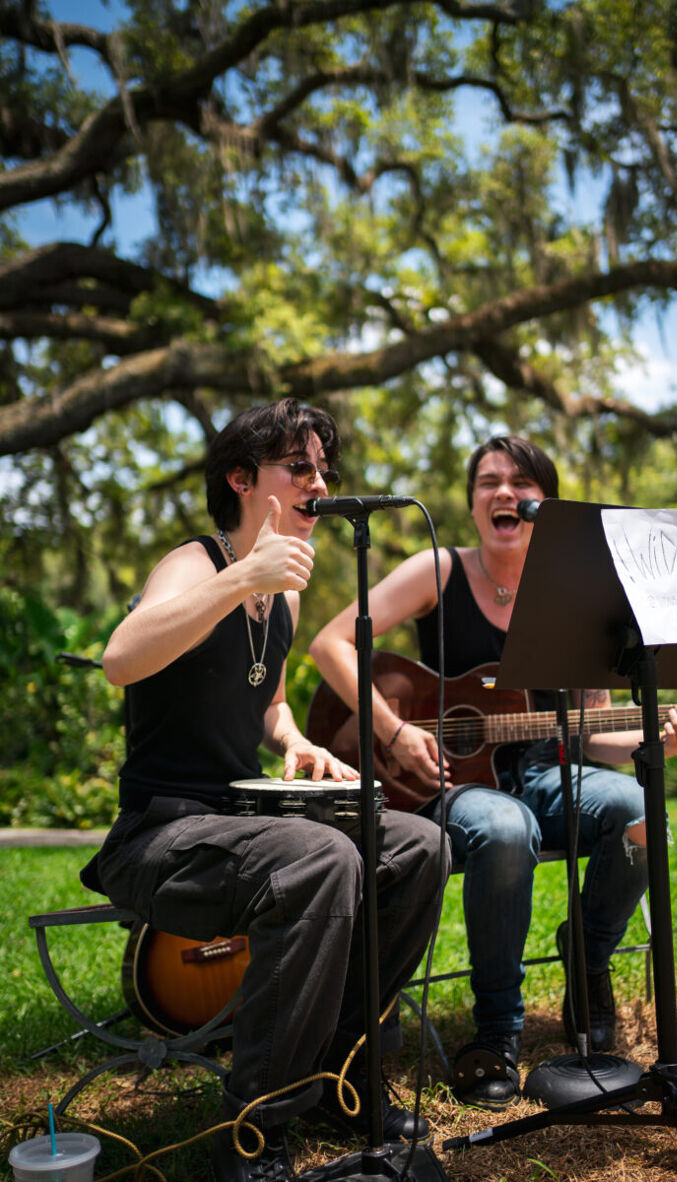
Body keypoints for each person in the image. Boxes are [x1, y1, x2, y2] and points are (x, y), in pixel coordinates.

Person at [80, 399, 450, 1182]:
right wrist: (238, 577)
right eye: (300, 467)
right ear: (242, 479)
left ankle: (338, 1080)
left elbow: (271, 701)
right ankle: (256, 1128)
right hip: (159, 836)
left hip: (242, 824)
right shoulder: (195, 565)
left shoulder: (282, 593)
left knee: (420, 844)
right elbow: (119, 659)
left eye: (326, 469)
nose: (320, 483)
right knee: (319, 859)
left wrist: (297, 741)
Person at [309, 434, 677, 1110]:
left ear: (546, 506)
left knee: (643, 812)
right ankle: (497, 1030)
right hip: (445, 779)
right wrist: (397, 731)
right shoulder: (439, 569)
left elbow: (598, 729)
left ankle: (587, 957)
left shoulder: (579, 592)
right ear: (472, 505)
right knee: (504, 826)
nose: (504, 492)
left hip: (546, 771)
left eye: (521, 482)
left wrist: (660, 745)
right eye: (488, 481)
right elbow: (330, 644)